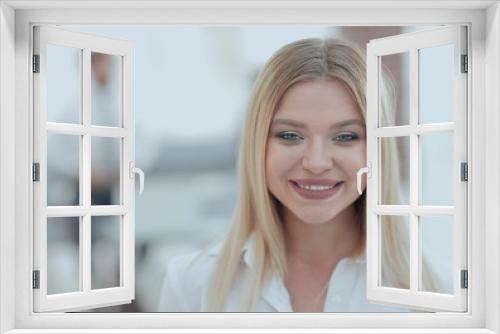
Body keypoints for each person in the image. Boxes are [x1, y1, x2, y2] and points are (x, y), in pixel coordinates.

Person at [157, 38, 441, 312]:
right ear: (257, 144)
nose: (316, 163)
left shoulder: (434, 291)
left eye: (345, 136)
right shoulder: (191, 286)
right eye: (290, 135)